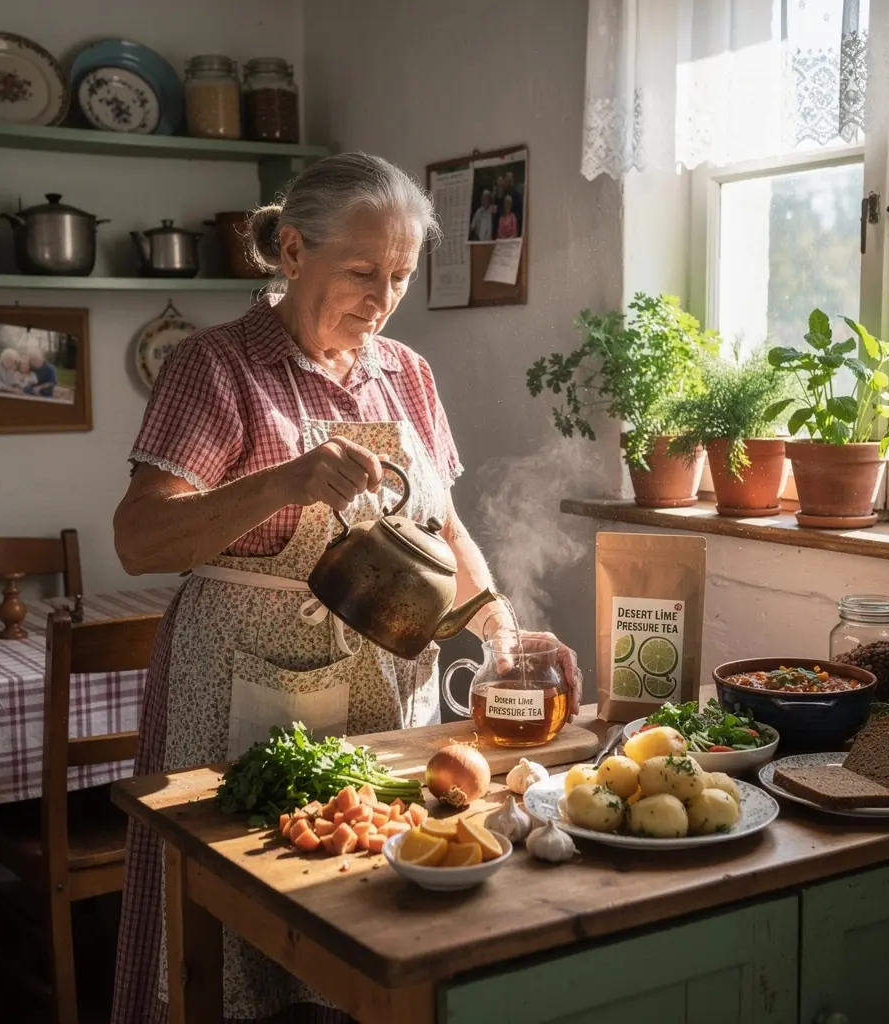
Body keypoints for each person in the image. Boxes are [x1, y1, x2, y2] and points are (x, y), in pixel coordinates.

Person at [110, 152, 581, 1024]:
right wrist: (283, 482)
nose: (383, 297)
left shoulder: (407, 371)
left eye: (399, 276)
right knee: (242, 930)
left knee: (373, 921)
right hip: (241, 687)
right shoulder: (216, 367)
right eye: (362, 271)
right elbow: (137, 538)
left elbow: (439, 524)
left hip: (386, 693)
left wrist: (495, 619)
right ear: (291, 252)